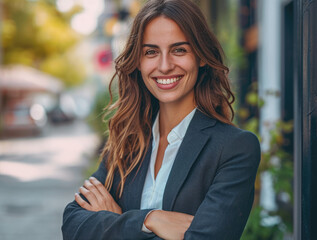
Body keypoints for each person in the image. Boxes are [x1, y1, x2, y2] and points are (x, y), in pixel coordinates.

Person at [62, 0, 260, 239]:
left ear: (201, 57)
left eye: (179, 50)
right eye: (151, 52)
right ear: (138, 61)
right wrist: (150, 219)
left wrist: (115, 221)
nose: (164, 66)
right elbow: (74, 223)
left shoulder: (234, 148)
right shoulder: (127, 142)